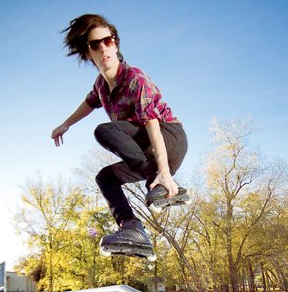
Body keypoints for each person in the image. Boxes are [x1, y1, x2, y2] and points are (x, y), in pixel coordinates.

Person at [51, 14, 188, 261]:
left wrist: (163, 173)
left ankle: (159, 184)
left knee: (105, 130)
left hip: (168, 138)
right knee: (105, 178)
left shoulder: (135, 77)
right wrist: (66, 124)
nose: (103, 48)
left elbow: (152, 124)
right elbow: (89, 103)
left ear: (116, 44)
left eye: (108, 41)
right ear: (88, 53)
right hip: (144, 155)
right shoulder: (101, 86)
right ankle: (132, 228)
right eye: (95, 44)